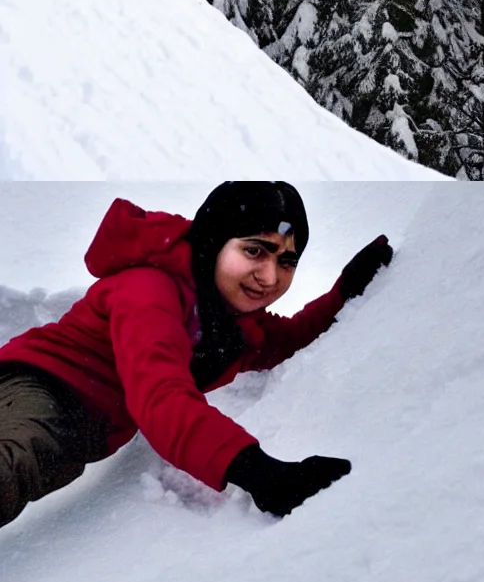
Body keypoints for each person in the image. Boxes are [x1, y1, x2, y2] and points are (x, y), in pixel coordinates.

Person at [0, 181, 394, 529]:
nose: (270, 276)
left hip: (81, 425)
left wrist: (345, 291)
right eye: (255, 250)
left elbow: (285, 339)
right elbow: (160, 396)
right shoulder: (148, 290)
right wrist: (256, 471)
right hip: (38, 387)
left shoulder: (227, 320)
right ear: (215, 242)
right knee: (17, 461)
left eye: (286, 261)